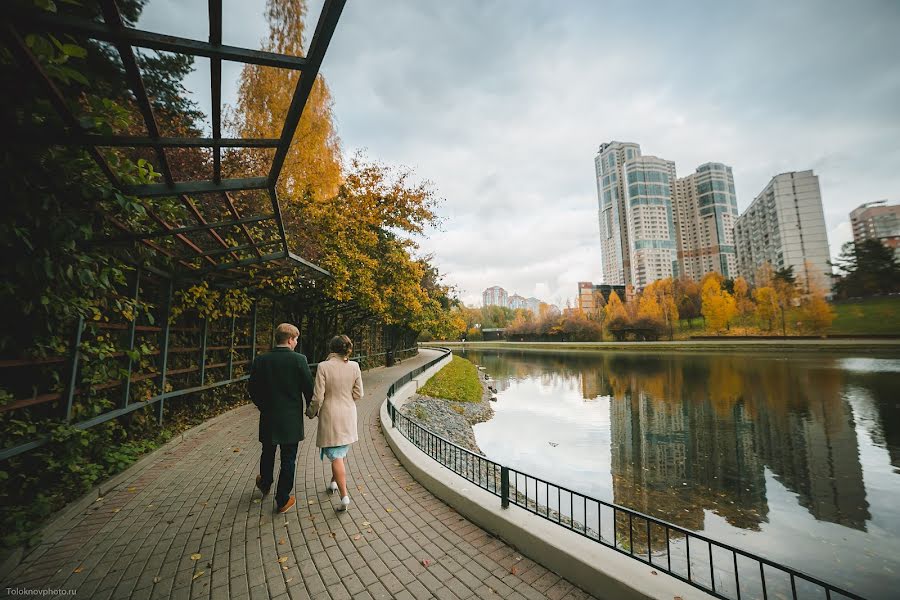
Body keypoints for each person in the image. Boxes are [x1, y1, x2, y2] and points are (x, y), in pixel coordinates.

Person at [249, 323, 314, 513]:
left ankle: (265, 483)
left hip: (269, 416)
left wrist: (263, 405)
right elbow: (308, 388)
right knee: (288, 458)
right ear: (290, 339)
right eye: (295, 340)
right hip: (291, 419)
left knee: (267, 451)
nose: (296, 344)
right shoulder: (299, 360)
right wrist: (312, 409)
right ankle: (283, 499)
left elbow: (252, 388)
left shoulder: (261, 360)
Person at [306, 334, 363, 512]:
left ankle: (344, 496)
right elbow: (359, 394)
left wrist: (310, 412)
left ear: (331, 348)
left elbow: (318, 397)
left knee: (336, 455)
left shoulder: (323, 366)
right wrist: (346, 399)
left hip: (331, 415)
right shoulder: (355, 366)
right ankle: (333, 482)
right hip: (348, 414)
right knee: (340, 450)